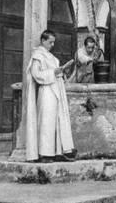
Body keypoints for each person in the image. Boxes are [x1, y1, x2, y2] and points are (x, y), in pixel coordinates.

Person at [23, 29, 76, 163]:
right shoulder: (38, 55)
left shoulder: (51, 57)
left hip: (56, 90)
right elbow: (36, 74)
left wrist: (62, 72)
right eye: (50, 42)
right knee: (46, 122)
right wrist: (53, 72)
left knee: (56, 121)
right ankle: (45, 153)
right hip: (46, 91)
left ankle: (57, 151)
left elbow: (54, 72)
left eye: (53, 42)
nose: (52, 45)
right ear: (43, 41)